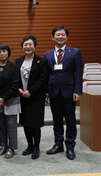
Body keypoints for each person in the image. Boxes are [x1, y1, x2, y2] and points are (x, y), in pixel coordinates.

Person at [44, 26, 83, 160]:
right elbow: (47, 74)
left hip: (69, 91)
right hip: (54, 91)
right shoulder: (47, 54)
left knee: (71, 120)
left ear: (67, 37)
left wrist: (78, 90)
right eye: (57, 35)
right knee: (57, 120)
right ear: (52, 37)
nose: (60, 37)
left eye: (62, 35)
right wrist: (46, 91)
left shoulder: (75, 52)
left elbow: (79, 73)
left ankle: (70, 146)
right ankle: (58, 144)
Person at [15, 35, 48, 159]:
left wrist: (30, 91)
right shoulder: (18, 61)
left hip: (36, 98)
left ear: (34, 46)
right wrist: (19, 89)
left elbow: (42, 79)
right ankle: (29, 146)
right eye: (25, 45)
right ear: (22, 46)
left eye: (30, 44)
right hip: (22, 97)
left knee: (35, 124)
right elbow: (16, 77)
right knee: (25, 122)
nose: (28, 47)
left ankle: (36, 147)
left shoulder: (41, 61)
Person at [0, 43, 21, 159]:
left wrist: (4, 98)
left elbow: (15, 84)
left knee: (11, 125)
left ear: (8, 52)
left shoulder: (14, 67)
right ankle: (3, 145)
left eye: (4, 51)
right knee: (1, 125)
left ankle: (11, 148)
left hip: (11, 99)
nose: (2, 54)